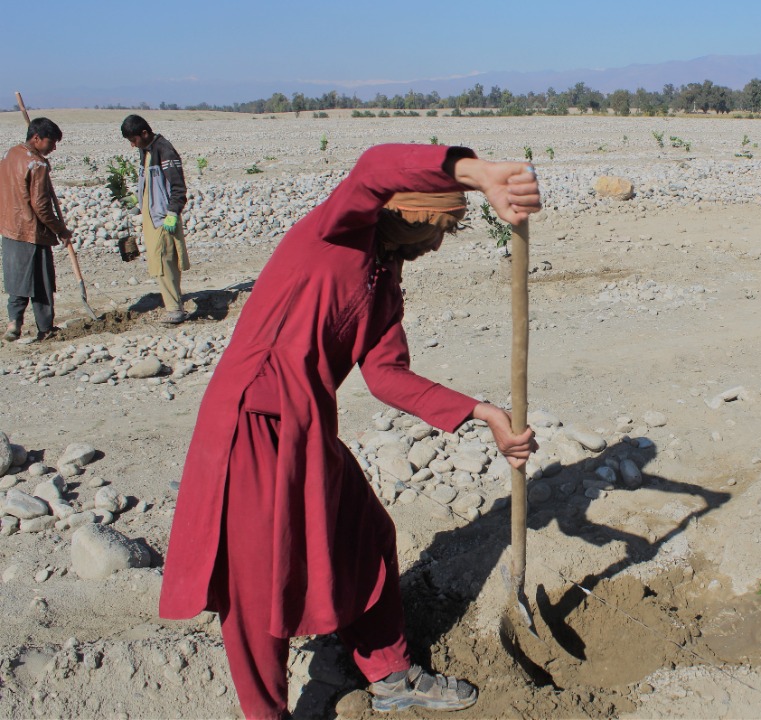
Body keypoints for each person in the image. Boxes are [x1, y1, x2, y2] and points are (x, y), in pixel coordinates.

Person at [159, 143, 541, 719]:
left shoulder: (386, 279)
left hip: (309, 429)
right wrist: (479, 173)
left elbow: (387, 376)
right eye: (438, 227)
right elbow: (372, 167)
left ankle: (390, 675)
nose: (438, 243)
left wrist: (481, 412)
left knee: (365, 531)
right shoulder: (334, 233)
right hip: (252, 425)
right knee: (257, 583)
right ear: (406, 213)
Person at [0, 117, 73, 342]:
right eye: (51, 142)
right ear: (36, 138)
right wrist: (60, 229)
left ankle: (14, 323)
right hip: (32, 232)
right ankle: (45, 327)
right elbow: (41, 206)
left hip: (9, 227)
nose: (53, 148)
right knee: (41, 282)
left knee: (18, 279)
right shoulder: (38, 165)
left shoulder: (10, 155)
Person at [120, 114, 189, 324]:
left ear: (144, 133)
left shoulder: (165, 151)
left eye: (134, 140)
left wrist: (172, 213)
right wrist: (136, 199)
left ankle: (175, 309)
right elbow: (149, 182)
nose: (132, 145)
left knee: (165, 262)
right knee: (159, 261)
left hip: (163, 217)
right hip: (150, 217)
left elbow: (178, 187)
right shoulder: (146, 150)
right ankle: (173, 304)